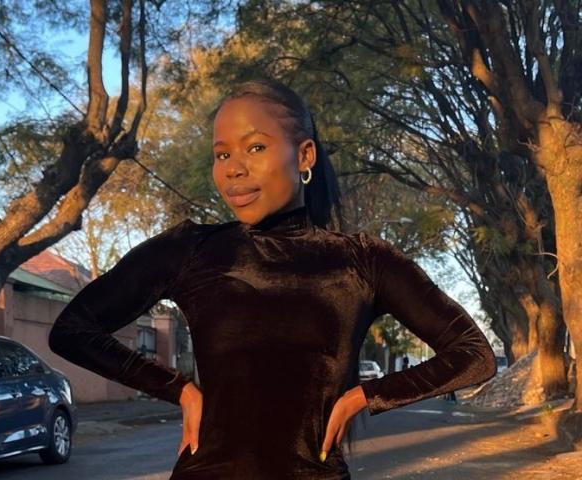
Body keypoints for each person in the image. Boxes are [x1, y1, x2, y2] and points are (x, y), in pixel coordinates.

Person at [48, 77, 497, 479]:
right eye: (222, 154)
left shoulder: (362, 262)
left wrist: (362, 397)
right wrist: (178, 388)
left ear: (304, 155)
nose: (233, 167)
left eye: (255, 147)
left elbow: (473, 354)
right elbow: (73, 330)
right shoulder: (190, 250)